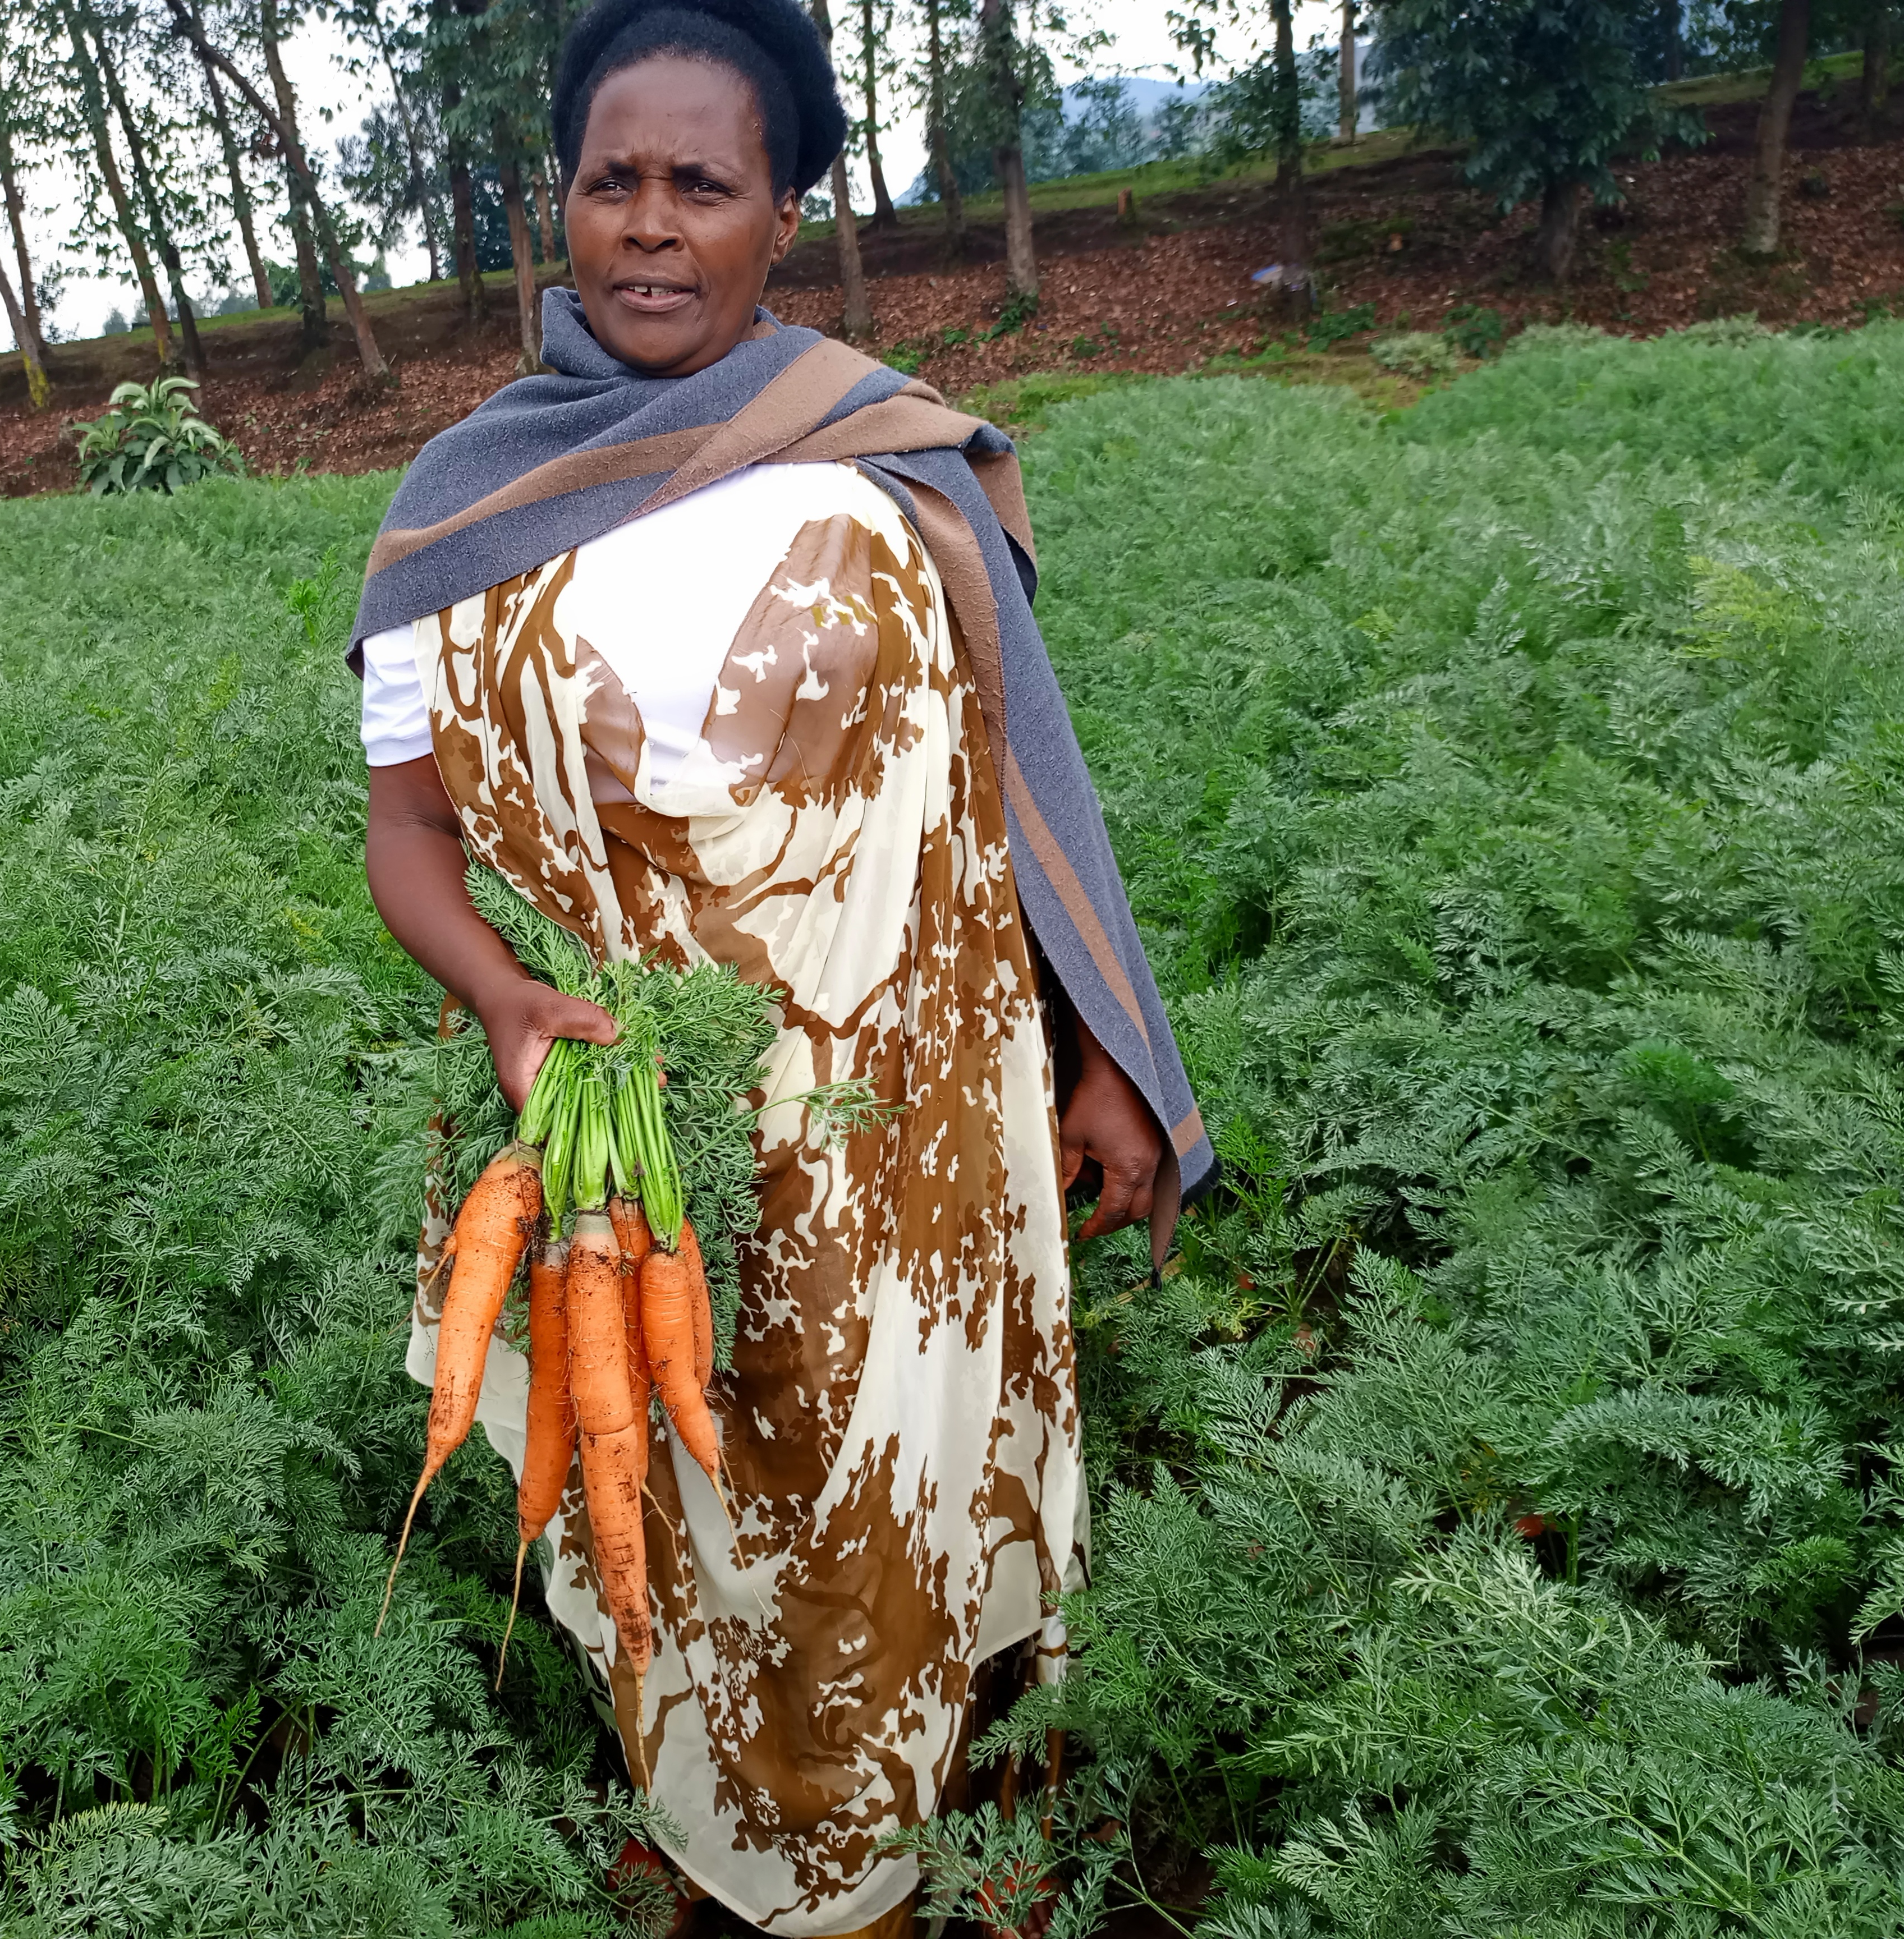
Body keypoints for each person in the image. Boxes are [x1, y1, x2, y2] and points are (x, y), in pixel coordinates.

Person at [354, 0, 1210, 1928]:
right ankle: (712, 1831)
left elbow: (1012, 794)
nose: (650, 227)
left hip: (907, 1134)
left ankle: (901, 1848)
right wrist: (505, 1001)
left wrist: (1100, 1054)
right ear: (558, 205)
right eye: (611, 182)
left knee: (887, 1522)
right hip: (627, 1135)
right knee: (666, 1505)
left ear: (784, 209)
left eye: (701, 185)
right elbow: (410, 833)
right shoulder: (462, 503)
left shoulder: (888, 461)